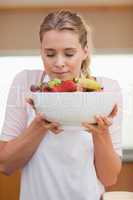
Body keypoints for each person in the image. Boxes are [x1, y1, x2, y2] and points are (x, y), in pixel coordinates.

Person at [0, 10, 123, 200]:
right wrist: (39, 126)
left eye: (69, 53)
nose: (59, 63)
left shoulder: (106, 91)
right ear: (41, 51)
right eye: (50, 54)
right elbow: (5, 166)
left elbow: (109, 178)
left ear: (84, 51)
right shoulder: (25, 83)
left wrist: (101, 133)